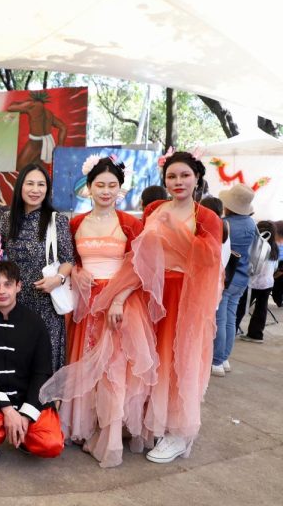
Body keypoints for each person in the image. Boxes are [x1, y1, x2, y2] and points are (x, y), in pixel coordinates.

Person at [38, 156, 158, 467]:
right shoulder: (75, 223)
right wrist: (76, 273)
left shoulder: (131, 224)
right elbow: (70, 260)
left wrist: (118, 299)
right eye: (99, 185)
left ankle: (111, 437)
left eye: (112, 185)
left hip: (119, 303)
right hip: (85, 303)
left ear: (120, 189)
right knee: (85, 365)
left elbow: (140, 267)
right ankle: (87, 428)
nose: (105, 191)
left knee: (114, 370)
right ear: (89, 188)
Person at [106, 151, 222, 463]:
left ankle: (178, 432)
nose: (178, 181)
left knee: (179, 361)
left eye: (185, 175)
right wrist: (120, 295)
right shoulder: (154, 208)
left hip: (185, 296)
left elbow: (210, 263)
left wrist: (180, 230)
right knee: (149, 360)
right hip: (151, 294)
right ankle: (150, 423)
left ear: (197, 177)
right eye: (172, 176)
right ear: (164, 180)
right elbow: (140, 257)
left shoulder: (207, 217)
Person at [0, 261, 53, 461]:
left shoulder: (35, 323)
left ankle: (24, 437)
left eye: (7, 284)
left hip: (27, 395)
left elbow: (42, 373)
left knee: (51, 443)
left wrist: (25, 415)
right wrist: (7, 409)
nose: (1, 290)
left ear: (18, 286)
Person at [0, 163, 74, 372]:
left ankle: (45, 405)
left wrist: (57, 279)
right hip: (14, 303)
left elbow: (69, 260)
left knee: (43, 363)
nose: (35, 189)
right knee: (16, 361)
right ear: (20, 186)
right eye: (30, 183)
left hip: (46, 304)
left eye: (41, 185)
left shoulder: (56, 220)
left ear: (47, 190)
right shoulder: (7, 219)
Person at [211, 184, 256, 377]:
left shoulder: (224, 224)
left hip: (225, 278)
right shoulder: (251, 223)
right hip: (243, 277)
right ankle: (224, 358)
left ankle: (217, 361)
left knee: (220, 319)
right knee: (231, 319)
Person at [237, 220, 279, 343]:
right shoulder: (274, 247)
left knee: (240, 307)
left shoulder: (256, 246)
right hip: (268, 283)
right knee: (261, 308)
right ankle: (256, 334)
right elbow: (275, 266)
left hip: (253, 282)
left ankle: (232, 329)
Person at [6, 92, 67, 171]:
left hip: (35, 143)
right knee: (36, 169)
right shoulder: (49, 113)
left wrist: (23, 102)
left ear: (33, 100)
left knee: (19, 168)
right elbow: (63, 127)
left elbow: (10, 108)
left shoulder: (32, 105)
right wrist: (60, 148)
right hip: (47, 143)